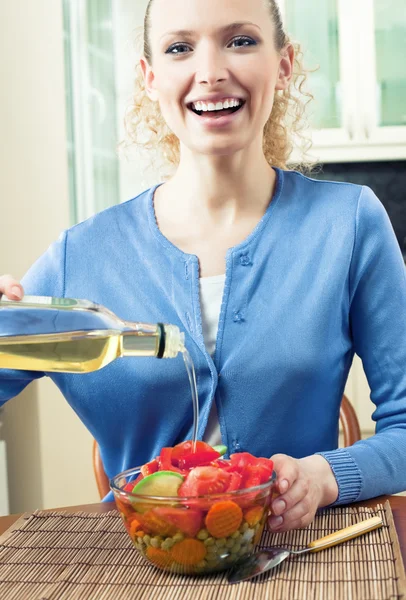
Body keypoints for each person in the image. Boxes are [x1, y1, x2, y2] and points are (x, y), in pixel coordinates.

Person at [1, 0, 406, 534]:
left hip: (301, 561)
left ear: (284, 64)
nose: (211, 72)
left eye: (240, 41)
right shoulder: (82, 254)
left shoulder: (349, 224)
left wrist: (324, 476)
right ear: (150, 78)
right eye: (179, 48)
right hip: (133, 568)